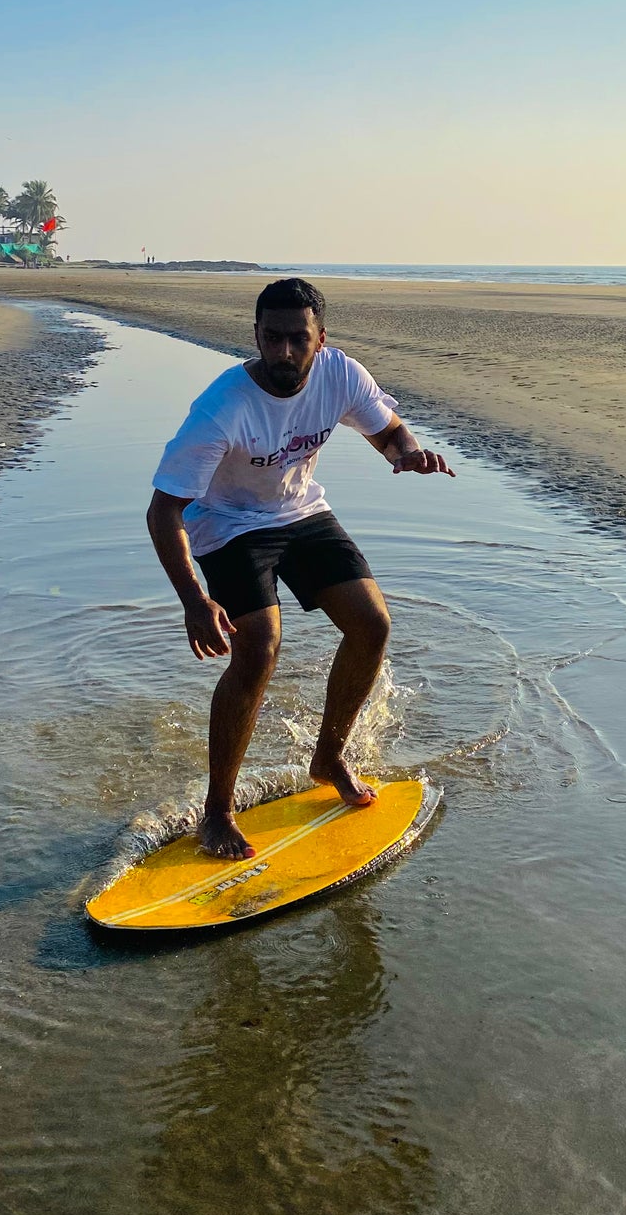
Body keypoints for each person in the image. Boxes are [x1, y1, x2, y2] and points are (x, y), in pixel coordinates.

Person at [147, 277, 454, 859]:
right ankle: (218, 810)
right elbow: (164, 510)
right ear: (257, 336)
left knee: (372, 624)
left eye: (297, 339)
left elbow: (387, 432)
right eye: (272, 338)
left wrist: (408, 455)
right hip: (230, 524)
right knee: (259, 647)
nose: (284, 352)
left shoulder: (341, 374)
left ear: (321, 339)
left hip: (301, 511)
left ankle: (329, 755)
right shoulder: (221, 408)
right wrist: (194, 599)